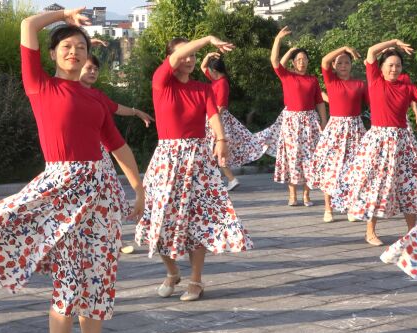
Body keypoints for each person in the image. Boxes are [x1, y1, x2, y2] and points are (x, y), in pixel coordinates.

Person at [0, 8, 144, 333]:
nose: (75, 52)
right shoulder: (41, 85)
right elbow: (28, 25)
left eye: (81, 48)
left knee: (99, 282)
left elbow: (118, 146)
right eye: (67, 46)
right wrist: (65, 14)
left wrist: (139, 187)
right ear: (54, 53)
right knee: (68, 284)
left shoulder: (96, 99)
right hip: (61, 187)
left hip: (101, 195)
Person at [135, 35, 252, 303]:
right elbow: (176, 58)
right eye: (183, 55)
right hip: (167, 158)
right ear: (171, 58)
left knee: (199, 221)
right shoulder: (161, 81)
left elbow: (212, 115)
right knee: (159, 218)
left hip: (197, 158)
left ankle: (196, 280)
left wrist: (221, 140)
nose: (188, 60)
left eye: (192, 56)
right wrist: (208, 39)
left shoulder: (202, 88)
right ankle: (172, 272)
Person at [332, 39, 417, 246]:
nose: (394, 69)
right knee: (375, 186)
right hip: (380, 142)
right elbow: (370, 50)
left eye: (398, 65)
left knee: (410, 186)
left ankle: (412, 232)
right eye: (390, 65)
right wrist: (394, 42)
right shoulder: (375, 80)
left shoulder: (407, 86)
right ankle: (370, 231)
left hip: (403, 142)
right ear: (382, 68)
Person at [79, 53, 154, 254]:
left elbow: (116, 108)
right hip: (73, 160)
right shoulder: (64, 92)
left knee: (110, 198)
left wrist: (137, 112)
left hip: (99, 156)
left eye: (95, 68)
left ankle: (113, 240)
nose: (93, 71)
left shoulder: (97, 96)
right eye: (88, 68)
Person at [270, 26, 327, 206]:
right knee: (292, 157)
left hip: (310, 121)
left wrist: (324, 122)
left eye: (304, 59)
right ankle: (292, 195)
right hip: (291, 121)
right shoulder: (287, 76)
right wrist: (279, 40)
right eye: (298, 60)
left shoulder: (312, 80)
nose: (302, 62)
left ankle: (307, 195)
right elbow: (275, 61)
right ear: (293, 63)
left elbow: (319, 102)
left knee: (309, 157)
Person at [311, 46, 368, 223]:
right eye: (340, 63)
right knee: (330, 168)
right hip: (335, 128)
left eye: (347, 62)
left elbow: (373, 102)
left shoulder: (360, 84)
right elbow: (324, 61)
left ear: (351, 65)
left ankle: (352, 206)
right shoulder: (331, 80)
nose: (343, 65)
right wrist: (344, 49)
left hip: (356, 129)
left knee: (355, 168)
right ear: (335, 66)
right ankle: (328, 208)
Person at [200, 52, 265, 191]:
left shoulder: (221, 83)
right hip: (216, 119)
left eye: (211, 71)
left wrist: (212, 119)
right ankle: (222, 180)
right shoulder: (216, 81)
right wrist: (209, 55)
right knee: (212, 151)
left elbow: (221, 106)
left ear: (215, 71)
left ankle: (230, 179)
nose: (208, 72)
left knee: (215, 151)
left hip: (218, 120)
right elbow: (203, 66)